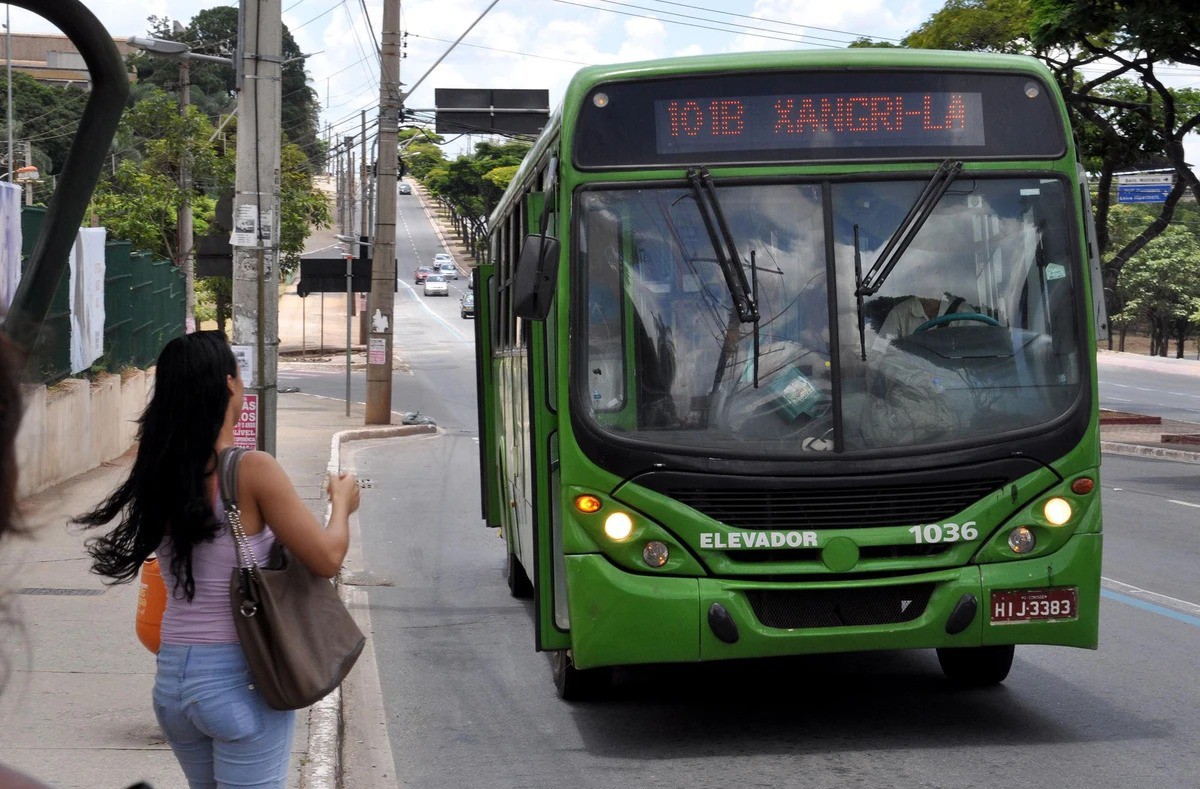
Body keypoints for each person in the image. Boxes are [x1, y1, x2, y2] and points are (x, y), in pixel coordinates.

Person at [73, 331, 361, 789]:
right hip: (239, 679)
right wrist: (342, 502)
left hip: (173, 684)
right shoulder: (251, 469)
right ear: (229, 384)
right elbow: (326, 558)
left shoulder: (160, 470)